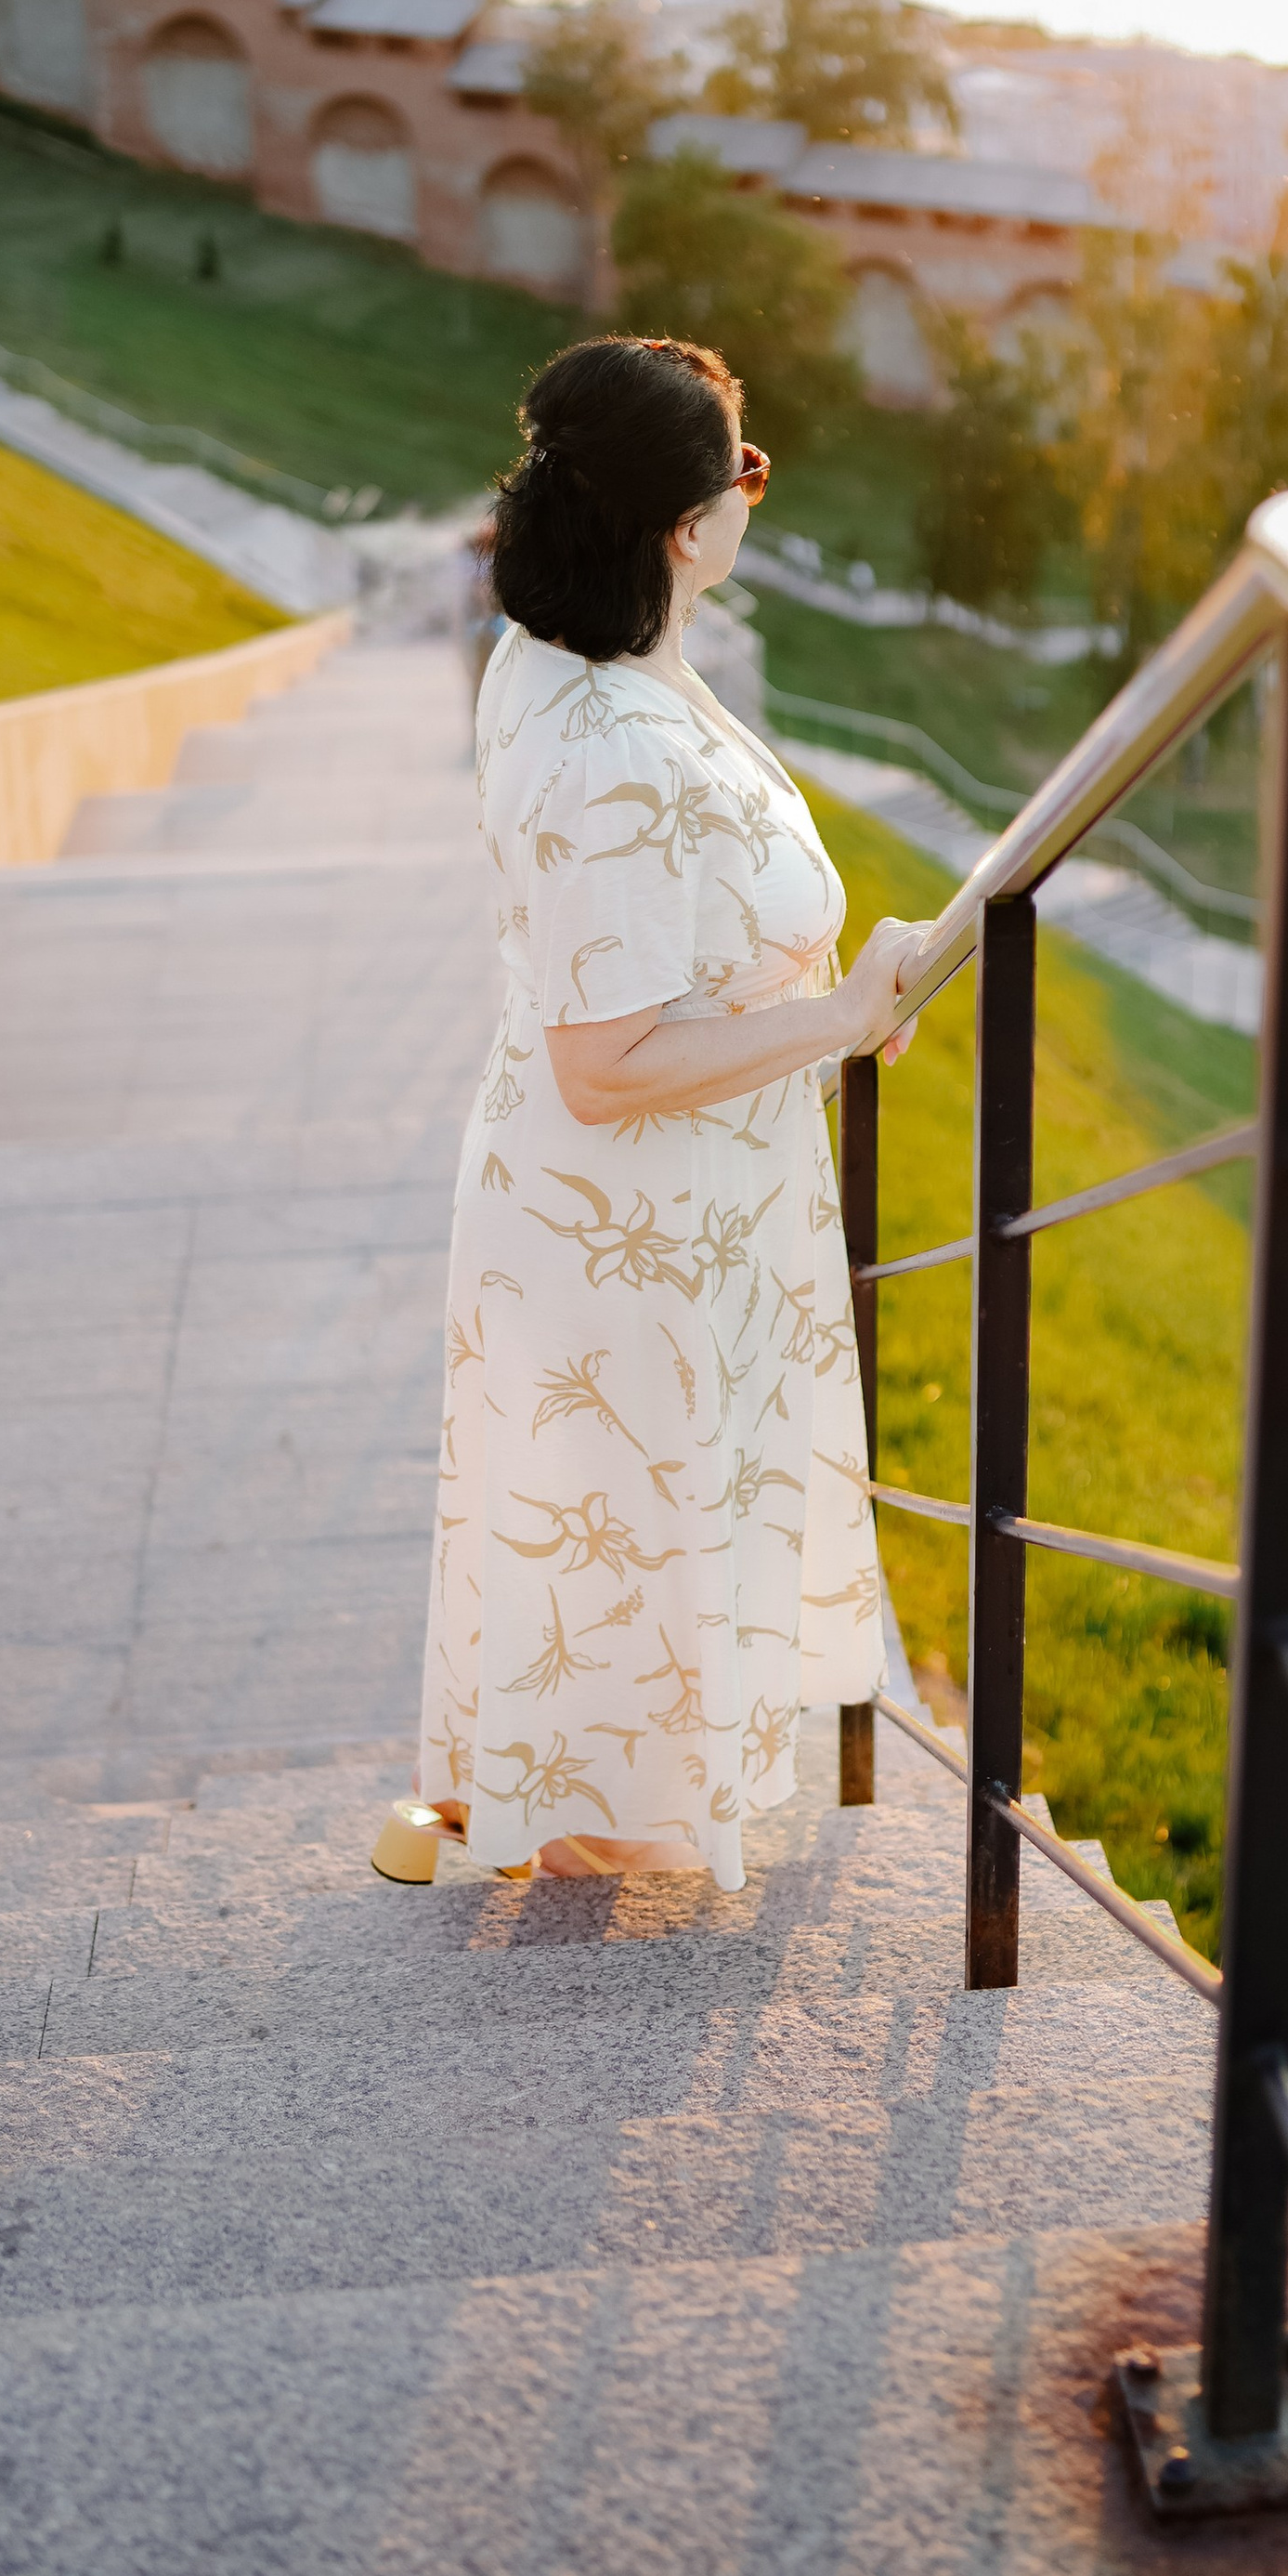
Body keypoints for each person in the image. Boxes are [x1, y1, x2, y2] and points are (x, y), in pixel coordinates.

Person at [385, 334, 925, 1890]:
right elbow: (604, 1062)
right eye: (746, 471)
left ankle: (590, 1823)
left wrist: (809, 1027)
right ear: (689, 528)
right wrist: (833, 1018)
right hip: (623, 1231)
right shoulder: (602, 740)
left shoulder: (604, 652)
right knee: (622, 1534)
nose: (759, 491)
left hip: (663, 1212)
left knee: (636, 1535)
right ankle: (586, 1893)